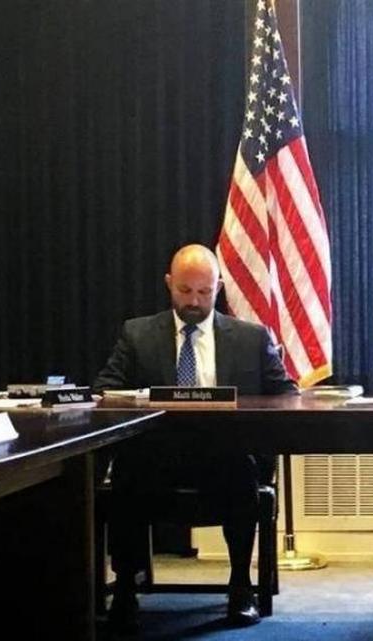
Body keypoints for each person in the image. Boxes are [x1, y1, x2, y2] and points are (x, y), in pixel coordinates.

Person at [94, 244, 294, 632]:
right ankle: (125, 589)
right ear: (169, 284)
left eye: (204, 292)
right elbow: (106, 389)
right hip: (156, 456)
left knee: (239, 470)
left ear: (218, 288)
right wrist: (141, 398)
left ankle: (241, 587)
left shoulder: (251, 338)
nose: (194, 301)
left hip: (223, 456)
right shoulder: (137, 333)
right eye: (185, 291)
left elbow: (285, 394)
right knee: (127, 474)